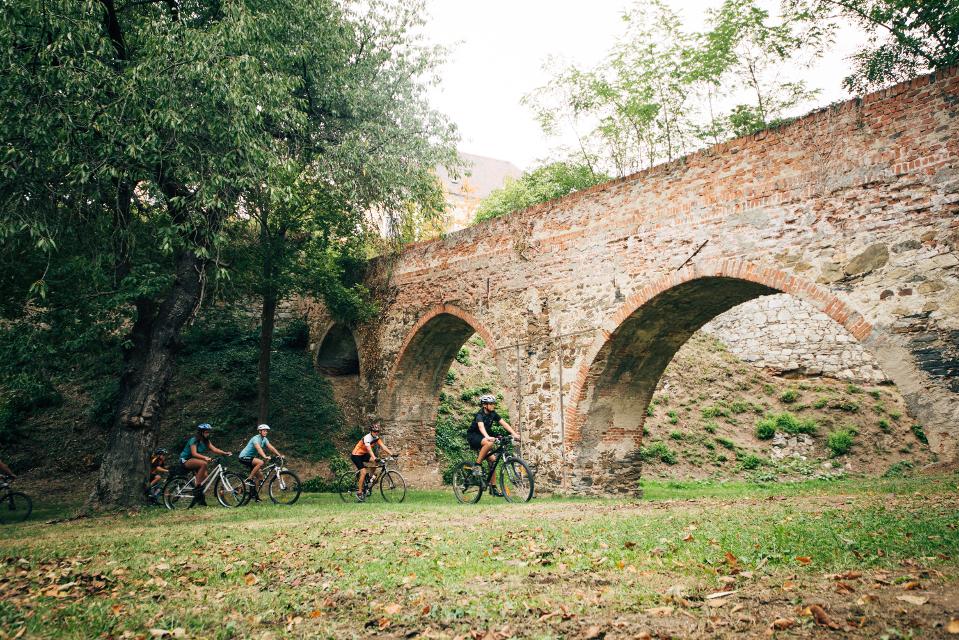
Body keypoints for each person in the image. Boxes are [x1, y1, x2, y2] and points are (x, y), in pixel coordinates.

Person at [467, 395, 520, 494]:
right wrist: (487, 437)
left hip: (484, 437)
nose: (493, 405)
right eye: (490, 404)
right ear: (484, 405)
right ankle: (477, 466)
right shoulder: (479, 415)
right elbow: (481, 427)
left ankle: (493, 488)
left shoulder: (493, 414)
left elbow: (504, 423)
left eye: (493, 403)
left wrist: (514, 434)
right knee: (489, 443)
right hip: (473, 436)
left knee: (493, 461)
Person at [179, 423, 232, 505]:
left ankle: (200, 499)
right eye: (206, 432)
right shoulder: (194, 440)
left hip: (195, 460)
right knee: (203, 463)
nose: (208, 434)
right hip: (186, 460)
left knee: (205, 476)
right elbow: (194, 453)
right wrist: (205, 457)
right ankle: (197, 488)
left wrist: (224, 453)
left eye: (209, 432)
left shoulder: (206, 441)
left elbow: (214, 449)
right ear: (201, 432)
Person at [350, 422, 394, 502]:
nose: (376, 433)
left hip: (363, 454)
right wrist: (374, 457)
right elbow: (369, 449)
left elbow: (383, 446)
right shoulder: (367, 438)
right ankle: (359, 492)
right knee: (363, 472)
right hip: (356, 455)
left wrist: (392, 454)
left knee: (375, 462)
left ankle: (370, 478)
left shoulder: (376, 437)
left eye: (377, 431)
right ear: (371, 431)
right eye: (374, 431)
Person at [238, 424, 283, 502]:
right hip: (243, 457)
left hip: (251, 459)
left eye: (266, 431)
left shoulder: (264, 439)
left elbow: (271, 447)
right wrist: (265, 456)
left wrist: (279, 455)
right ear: (260, 431)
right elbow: (258, 448)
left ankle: (254, 495)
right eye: (264, 431)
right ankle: (250, 478)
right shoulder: (255, 439)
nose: (265, 432)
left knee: (260, 477)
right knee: (260, 462)